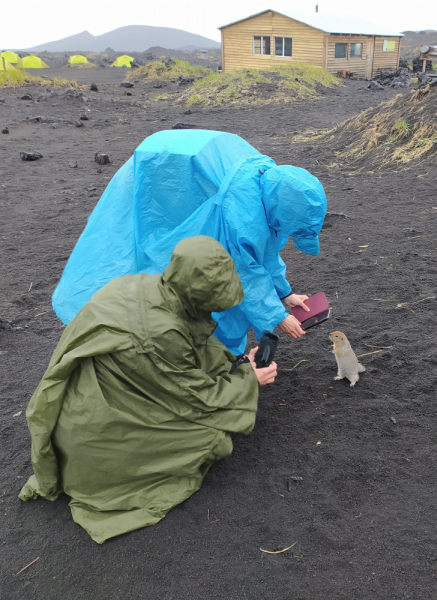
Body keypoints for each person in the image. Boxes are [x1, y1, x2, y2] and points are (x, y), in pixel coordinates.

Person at [19, 236, 277, 544]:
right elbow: (196, 399)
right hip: (98, 427)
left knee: (213, 357)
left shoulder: (145, 283)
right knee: (209, 437)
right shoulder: (161, 332)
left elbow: (187, 343)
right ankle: (114, 469)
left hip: (89, 393)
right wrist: (250, 380)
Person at [51, 130, 327, 356]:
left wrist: (283, 294)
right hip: (167, 184)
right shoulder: (242, 217)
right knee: (208, 290)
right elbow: (246, 273)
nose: (290, 233)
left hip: (191, 174)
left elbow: (265, 253)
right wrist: (277, 315)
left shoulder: (272, 193)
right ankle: (204, 361)